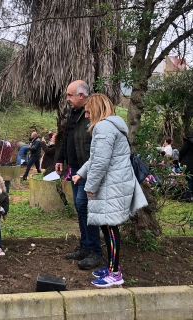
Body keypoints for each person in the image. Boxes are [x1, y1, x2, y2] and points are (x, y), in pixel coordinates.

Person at [72, 93, 148, 288]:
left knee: (110, 229)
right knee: (108, 227)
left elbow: (100, 163)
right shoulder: (109, 127)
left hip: (110, 187)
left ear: (96, 110)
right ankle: (112, 267)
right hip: (114, 185)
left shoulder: (104, 128)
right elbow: (96, 158)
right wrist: (80, 174)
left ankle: (115, 273)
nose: (86, 116)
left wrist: (90, 187)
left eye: (88, 111)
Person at [55, 80, 103, 270]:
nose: (67, 99)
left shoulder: (94, 112)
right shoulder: (73, 112)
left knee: (87, 208)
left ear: (81, 96)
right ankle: (85, 246)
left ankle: (95, 251)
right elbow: (67, 137)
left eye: (69, 95)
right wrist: (60, 158)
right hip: (75, 169)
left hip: (88, 170)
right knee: (80, 207)